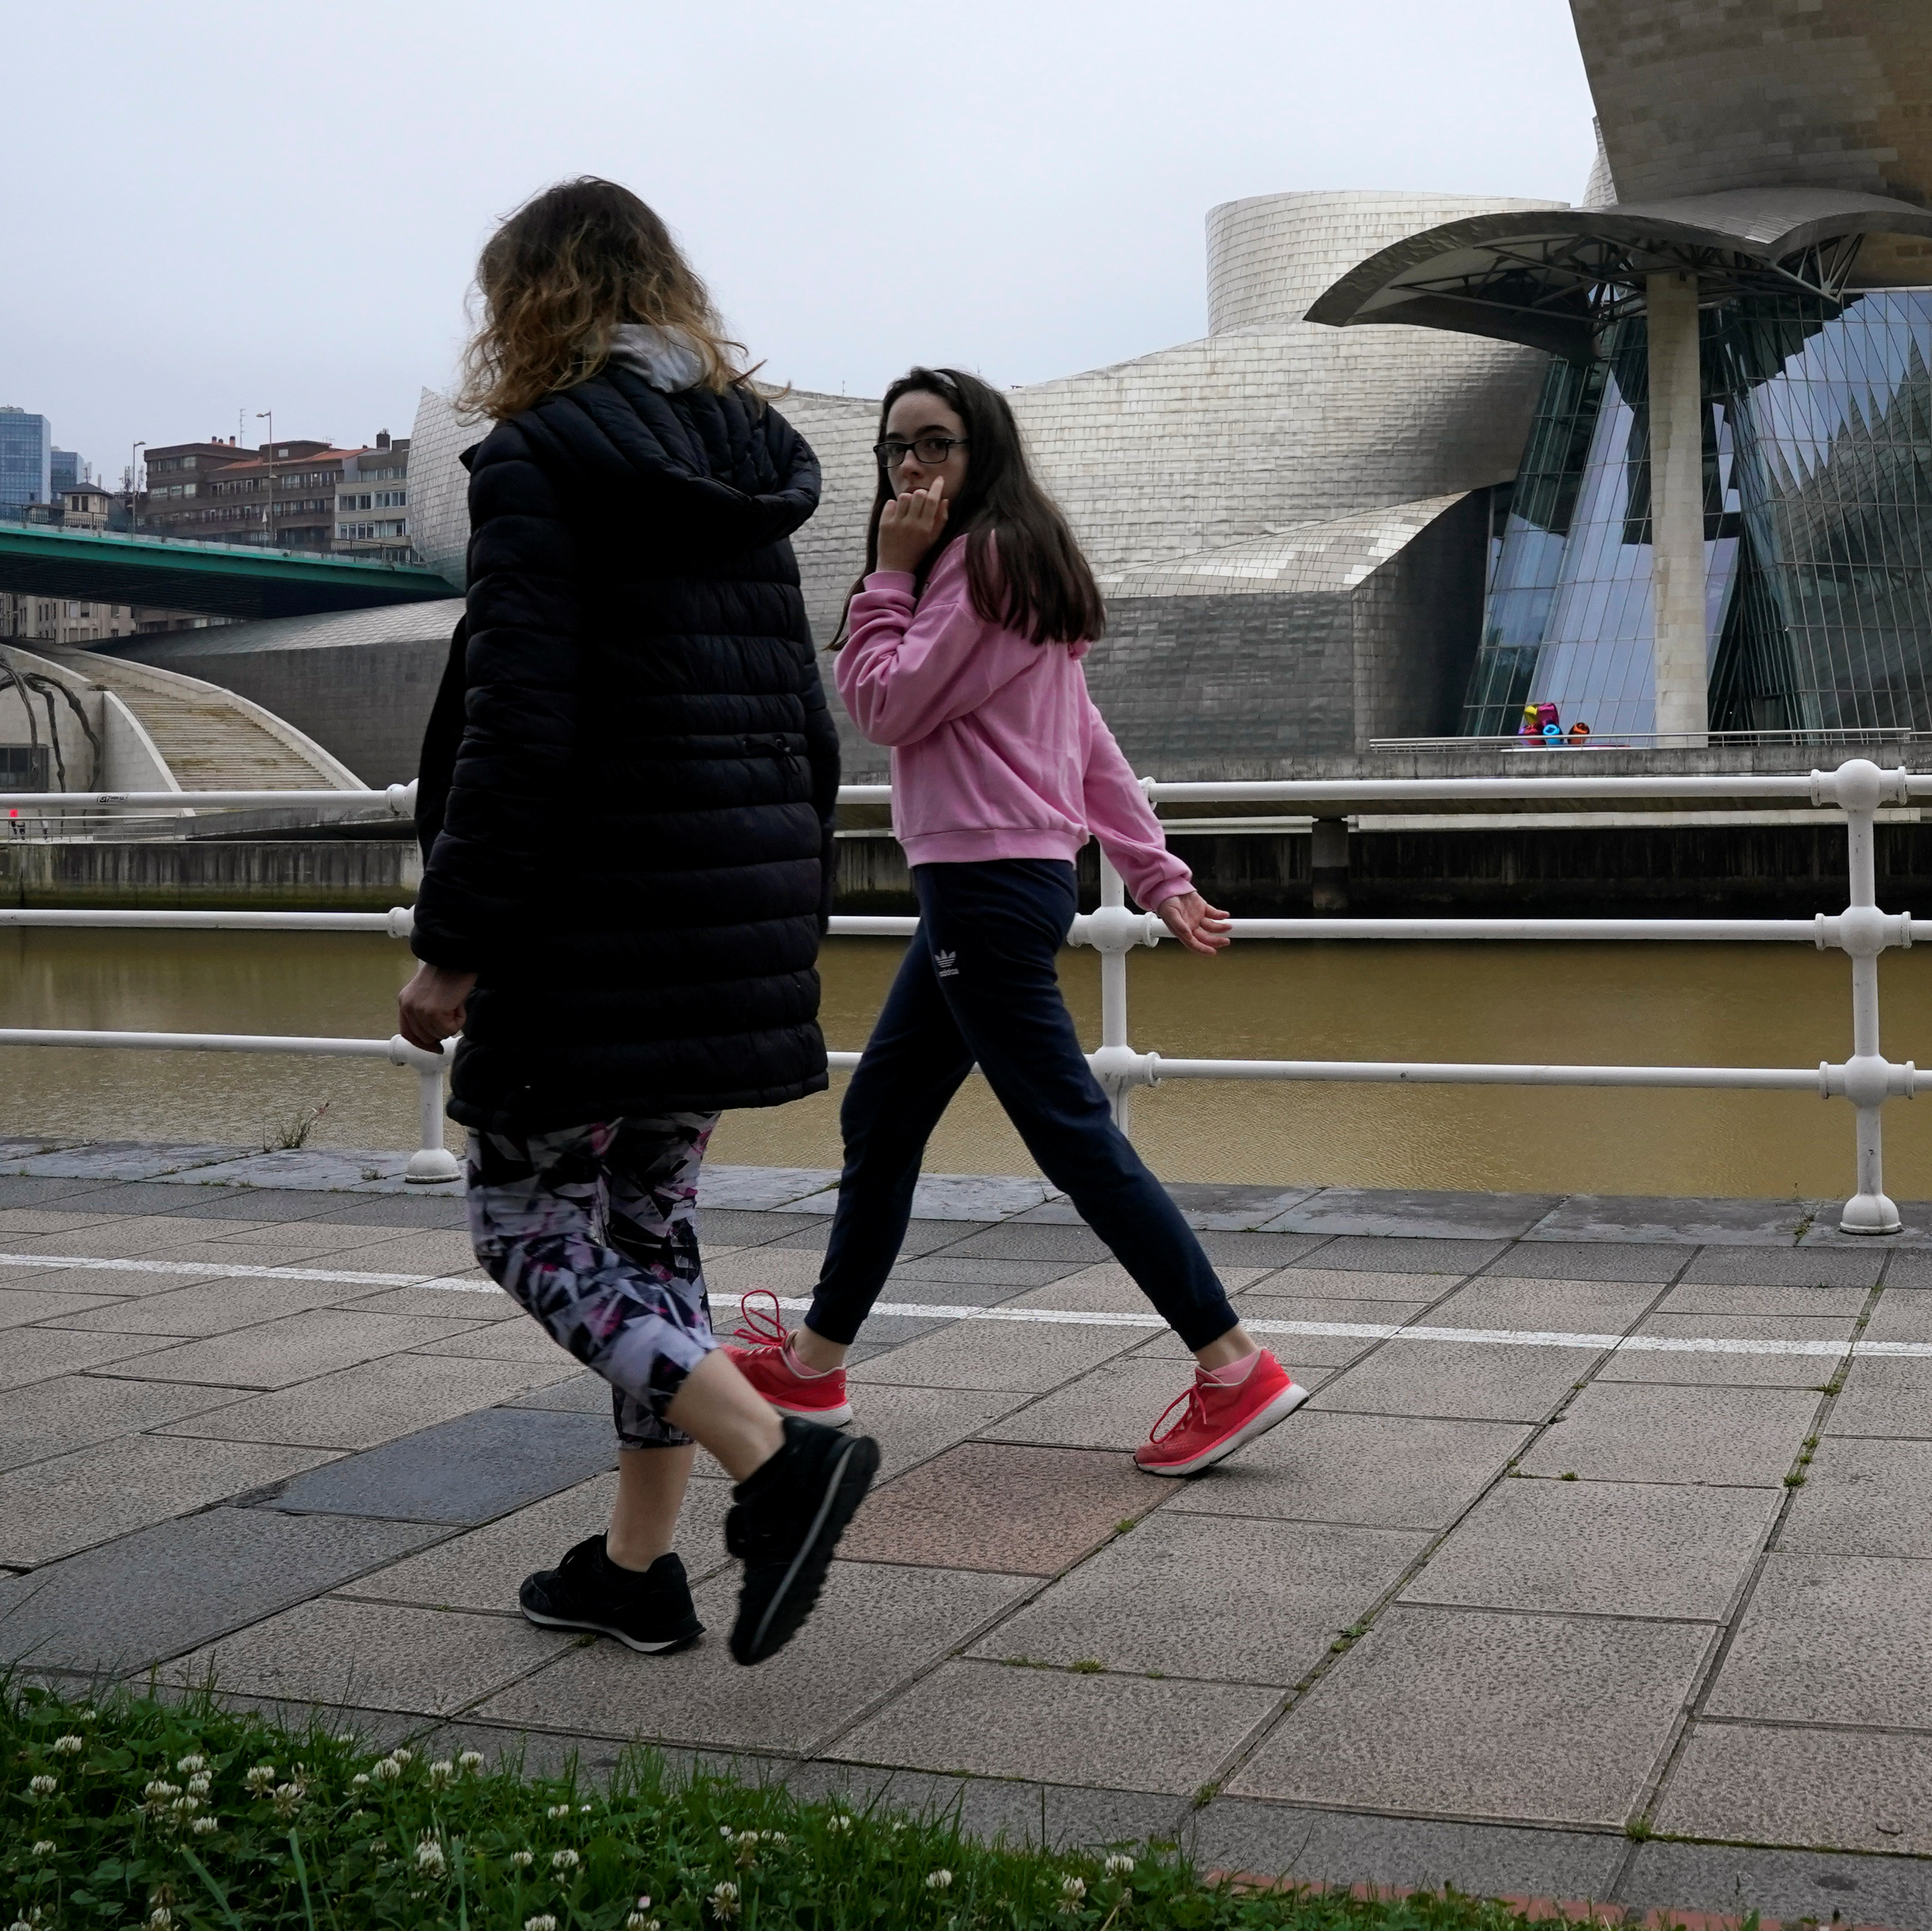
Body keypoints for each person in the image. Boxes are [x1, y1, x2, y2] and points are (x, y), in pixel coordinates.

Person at [396, 177, 879, 1667]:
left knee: (525, 1218)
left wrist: (455, 937)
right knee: (650, 1226)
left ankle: (776, 1456)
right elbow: (805, 729)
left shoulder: (542, 462)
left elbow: (521, 728)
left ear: (528, 301)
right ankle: (634, 1569)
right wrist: (776, 924)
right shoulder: (746, 463)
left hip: (590, 918)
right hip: (726, 913)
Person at [723, 365, 1303, 1476]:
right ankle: (814, 1360)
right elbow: (1083, 741)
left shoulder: (974, 566)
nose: (910, 466)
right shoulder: (1009, 563)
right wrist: (1157, 873)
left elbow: (882, 704)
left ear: (981, 451)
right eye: (895, 447)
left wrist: (885, 576)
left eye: (934, 444)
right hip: (995, 882)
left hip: (984, 889)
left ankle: (1233, 1363)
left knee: (1072, 1134)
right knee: (885, 1116)